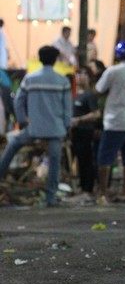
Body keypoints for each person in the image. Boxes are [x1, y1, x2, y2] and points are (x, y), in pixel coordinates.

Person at [0, 46, 72, 206]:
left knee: (12, 146)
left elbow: (18, 101)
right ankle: (51, 197)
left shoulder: (30, 79)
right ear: (55, 60)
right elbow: (68, 108)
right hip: (55, 129)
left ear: (39, 59)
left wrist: (22, 120)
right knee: (54, 161)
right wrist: (67, 126)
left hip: (34, 128)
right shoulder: (62, 81)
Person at [95, 40, 125, 204]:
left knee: (106, 157)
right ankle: (124, 192)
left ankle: (103, 193)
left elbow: (99, 89)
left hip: (115, 120)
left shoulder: (113, 71)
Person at [70, 66, 100, 201]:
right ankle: (81, 187)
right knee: (78, 161)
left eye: (84, 74)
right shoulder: (74, 94)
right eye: (79, 73)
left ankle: (88, 188)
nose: (81, 76)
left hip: (85, 131)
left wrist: (79, 120)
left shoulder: (90, 94)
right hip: (74, 132)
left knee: (86, 160)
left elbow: (96, 113)